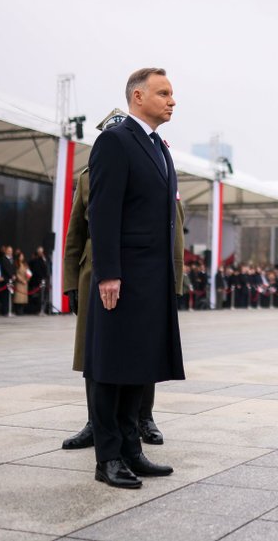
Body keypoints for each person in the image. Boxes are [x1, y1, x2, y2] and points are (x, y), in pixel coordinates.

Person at [84, 68, 185, 489]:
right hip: (122, 276)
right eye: (163, 93)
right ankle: (107, 458)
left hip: (151, 277)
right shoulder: (115, 140)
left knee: (136, 366)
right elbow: (103, 212)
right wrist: (108, 273)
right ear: (138, 97)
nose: (172, 100)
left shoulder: (158, 146)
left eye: (173, 93)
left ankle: (131, 449)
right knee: (111, 367)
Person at [62, 129, 185, 451]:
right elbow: (77, 231)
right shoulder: (89, 176)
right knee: (95, 355)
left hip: (142, 272)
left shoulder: (157, 165)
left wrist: (176, 277)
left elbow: (174, 228)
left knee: (143, 349)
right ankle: (96, 423)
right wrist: (71, 282)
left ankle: (144, 418)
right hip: (97, 273)